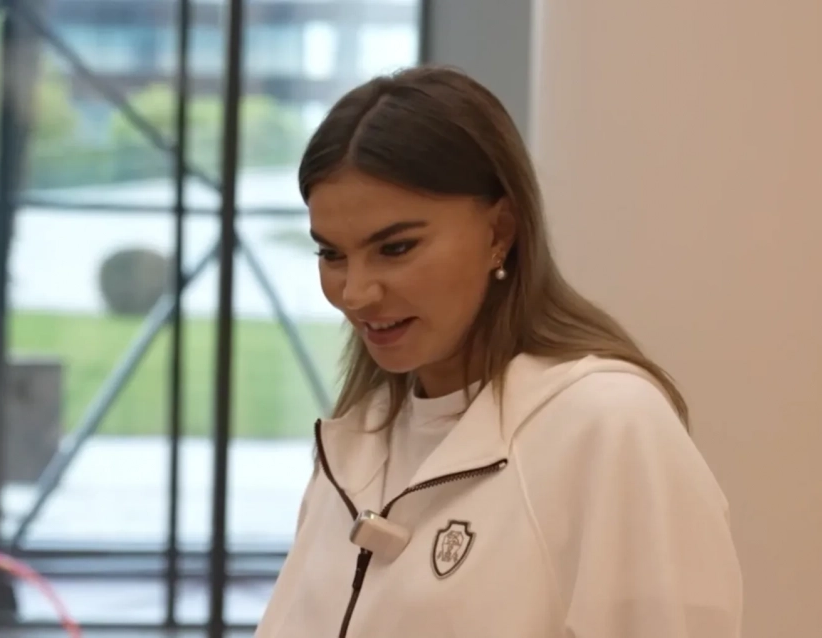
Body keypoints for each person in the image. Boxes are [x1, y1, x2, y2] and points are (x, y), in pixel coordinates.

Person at [255, 65, 743, 638]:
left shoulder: (608, 424)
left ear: (501, 230)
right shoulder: (356, 439)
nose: (356, 292)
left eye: (396, 248)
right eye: (331, 254)